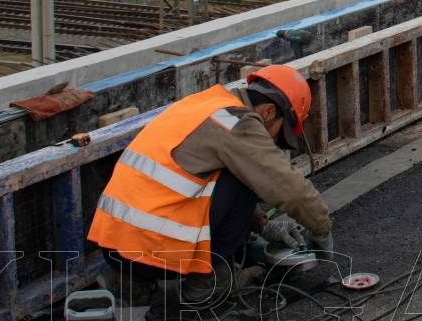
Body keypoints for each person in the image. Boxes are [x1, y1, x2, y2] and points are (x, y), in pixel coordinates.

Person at [88, 64, 333, 301]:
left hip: (115, 245)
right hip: (152, 251)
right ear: (268, 111)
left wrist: (262, 225)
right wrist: (321, 228)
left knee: (238, 169)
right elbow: (286, 185)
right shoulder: (236, 122)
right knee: (249, 175)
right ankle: (207, 284)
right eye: (280, 134)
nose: (275, 142)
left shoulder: (204, 105)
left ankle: (133, 284)